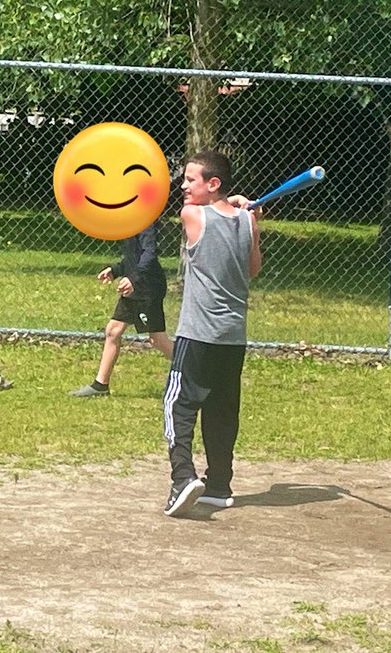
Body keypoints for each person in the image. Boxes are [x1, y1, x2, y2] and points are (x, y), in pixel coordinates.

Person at [162, 150, 262, 517]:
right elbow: (253, 268)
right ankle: (219, 485)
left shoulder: (192, 215)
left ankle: (182, 478)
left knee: (178, 405)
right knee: (222, 410)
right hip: (233, 336)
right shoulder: (248, 222)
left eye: (191, 180)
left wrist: (233, 207)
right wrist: (248, 217)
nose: (184, 186)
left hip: (198, 333)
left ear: (213, 183)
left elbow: (204, 213)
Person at [70, 221, 173, 398]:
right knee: (113, 331)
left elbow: (150, 254)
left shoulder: (144, 222)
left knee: (157, 339)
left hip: (147, 288)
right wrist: (116, 270)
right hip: (135, 288)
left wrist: (133, 278)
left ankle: (196, 371)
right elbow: (133, 257)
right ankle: (100, 385)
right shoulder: (131, 221)